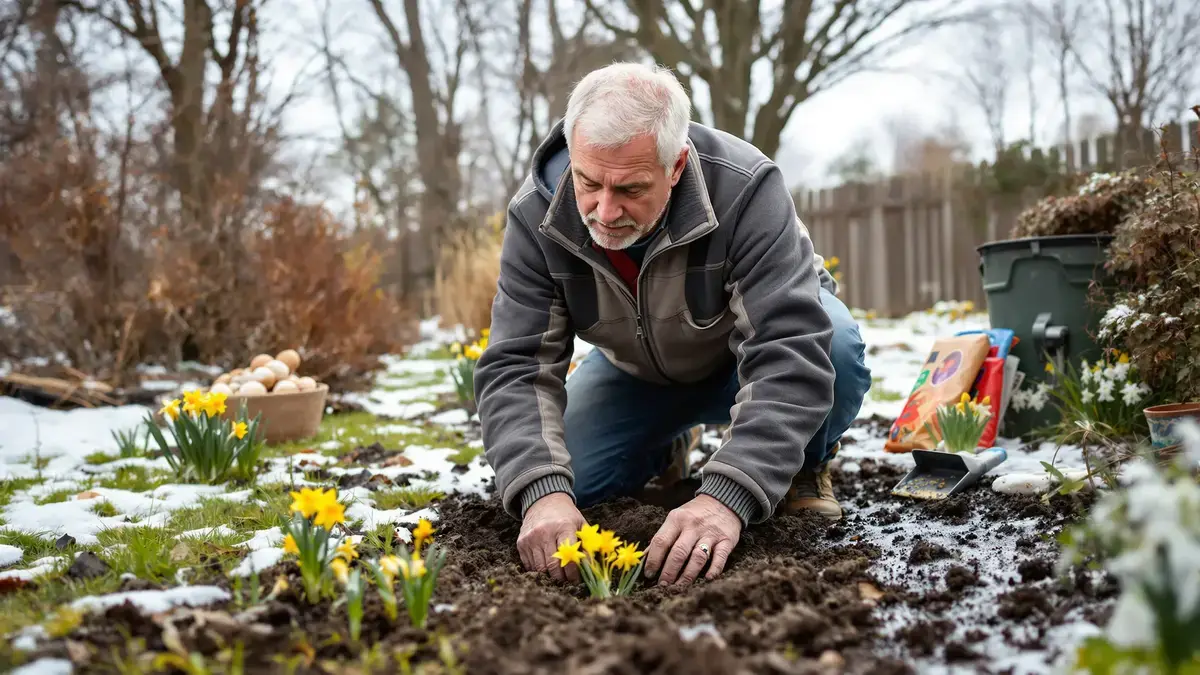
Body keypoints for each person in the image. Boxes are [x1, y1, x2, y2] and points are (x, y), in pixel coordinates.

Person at [474, 62, 871, 588]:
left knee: (835, 347)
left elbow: (789, 345)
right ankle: (668, 445)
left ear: (677, 164)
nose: (605, 210)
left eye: (631, 189)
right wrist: (543, 494)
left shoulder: (746, 190)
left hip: (745, 363)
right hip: (639, 375)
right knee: (573, 482)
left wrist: (726, 497)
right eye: (589, 183)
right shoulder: (536, 215)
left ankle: (803, 465)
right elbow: (517, 365)